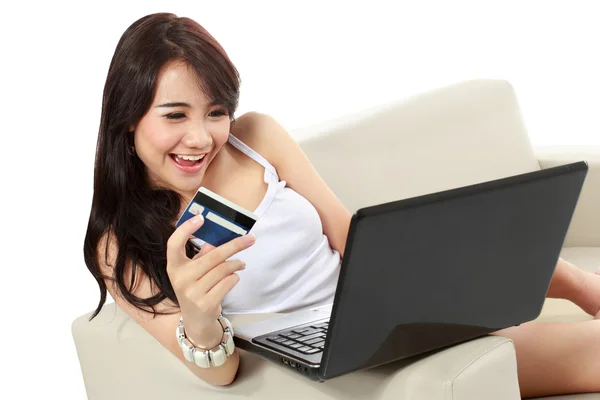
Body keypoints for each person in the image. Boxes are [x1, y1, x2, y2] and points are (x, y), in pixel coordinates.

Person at [83, 12, 600, 398]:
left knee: (482, 249)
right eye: (175, 115)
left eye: (216, 112)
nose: (199, 137)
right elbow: (218, 372)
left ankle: (576, 283)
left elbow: (345, 233)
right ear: (129, 117)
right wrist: (200, 318)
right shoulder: (118, 242)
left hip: (379, 306)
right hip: (332, 358)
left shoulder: (256, 136)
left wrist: (420, 265)